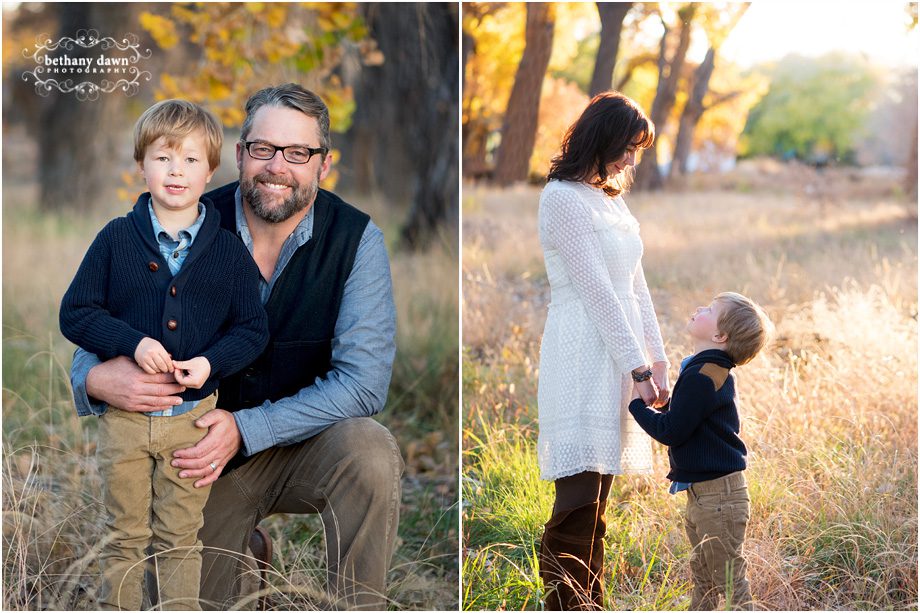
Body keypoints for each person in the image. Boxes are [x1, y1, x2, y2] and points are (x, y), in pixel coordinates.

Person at [69, 83, 403, 611]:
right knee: (178, 597)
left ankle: (358, 606)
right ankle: (250, 555)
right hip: (196, 456)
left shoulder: (356, 241)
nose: (277, 166)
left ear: (324, 164)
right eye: (263, 149)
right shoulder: (185, 217)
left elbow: (363, 384)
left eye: (298, 153)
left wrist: (246, 429)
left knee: (370, 451)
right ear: (241, 153)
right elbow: (102, 313)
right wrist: (91, 377)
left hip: (303, 444)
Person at [59, 99, 269, 610]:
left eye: (191, 160)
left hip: (191, 423)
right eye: (163, 158)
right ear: (141, 165)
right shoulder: (115, 239)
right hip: (125, 422)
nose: (177, 171)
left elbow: (251, 328)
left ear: (212, 170)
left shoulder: (225, 250)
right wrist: (131, 343)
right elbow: (76, 312)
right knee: (124, 534)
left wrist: (209, 364)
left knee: (179, 537)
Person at [536, 91, 670, 610]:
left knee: (601, 497)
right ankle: (565, 602)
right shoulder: (562, 198)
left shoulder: (610, 199)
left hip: (620, 354)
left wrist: (656, 359)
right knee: (577, 498)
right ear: (601, 138)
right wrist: (636, 364)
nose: (631, 161)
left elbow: (636, 287)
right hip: (581, 354)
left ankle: (592, 601)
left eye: (638, 151)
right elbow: (596, 290)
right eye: (628, 148)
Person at [628, 292, 773, 611]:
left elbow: (671, 432)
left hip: (718, 497)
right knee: (704, 576)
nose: (698, 308)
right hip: (707, 494)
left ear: (720, 336)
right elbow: (687, 420)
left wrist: (636, 404)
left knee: (730, 579)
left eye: (709, 310)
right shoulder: (705, 370)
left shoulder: (703, 375)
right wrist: (670, 407)